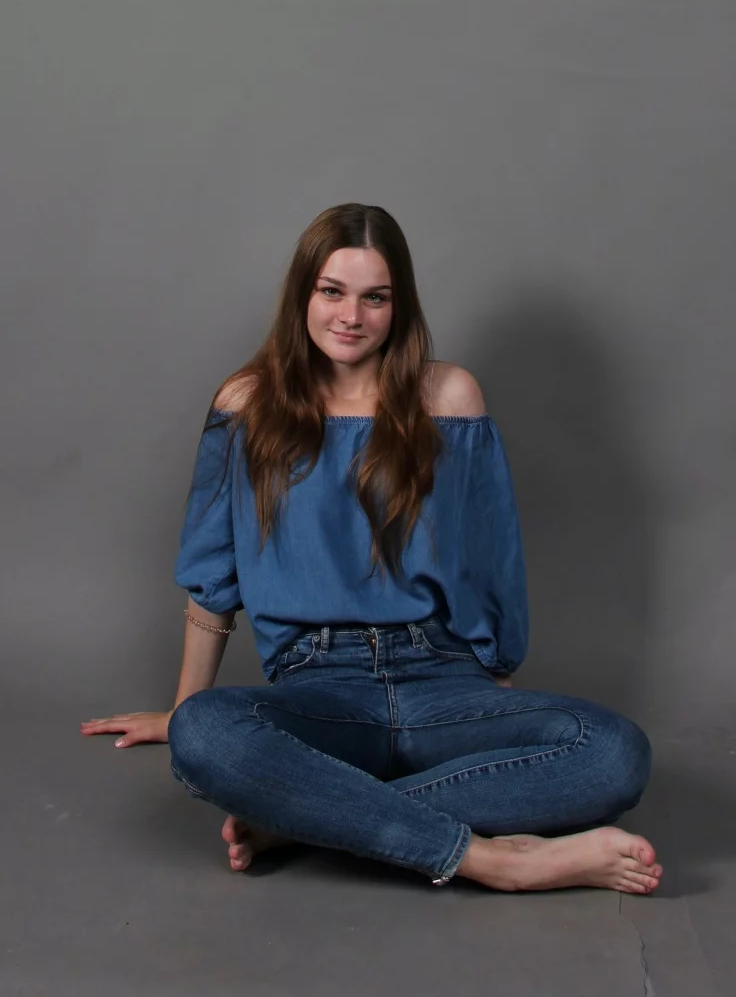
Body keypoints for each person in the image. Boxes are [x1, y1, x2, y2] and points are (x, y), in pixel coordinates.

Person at [81, 203, 661, 894]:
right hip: (320, 688)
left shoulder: (450, 397)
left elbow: (490, 563)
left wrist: (497, 700)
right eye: (332, 291)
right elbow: (212, 576)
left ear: (399, 304)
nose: (351, 316)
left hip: (444, 679)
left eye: (375, 298)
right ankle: (494, 861)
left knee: (614, 755)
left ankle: (310, 817)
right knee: (205, 735)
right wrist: (182, 712)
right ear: (302, 295)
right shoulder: (246, 404)